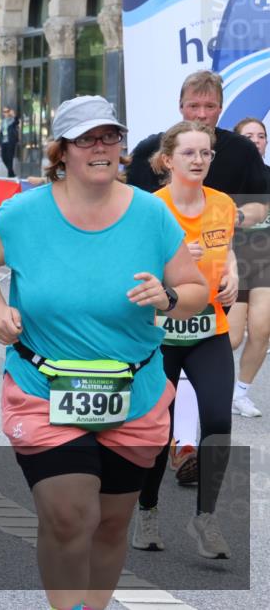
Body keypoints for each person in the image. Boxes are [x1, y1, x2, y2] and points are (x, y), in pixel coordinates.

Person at [0, 95, 208, 610]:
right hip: (43, 387)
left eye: (111, 137)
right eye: (87, 139)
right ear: (62, 150)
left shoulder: (150, 215)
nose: (102, 148)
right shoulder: (24, 212)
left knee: (112, 522)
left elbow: (195, 292)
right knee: (71, 514)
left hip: (134, 392)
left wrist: (165, 297)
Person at [126, 70, 269, 477]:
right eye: (195, 106)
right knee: (160, 396)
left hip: (228, 261)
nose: (202, 113)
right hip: (165, 287)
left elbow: (261, 205)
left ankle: (190, 453)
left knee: (230, 338)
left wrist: (231, 221)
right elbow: (128, 215)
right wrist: (167, 254)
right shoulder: (151, 152)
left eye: (210, 107)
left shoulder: (240, 151)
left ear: (221, 110)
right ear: (180, 107)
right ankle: (174, 452)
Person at [130, 121, 238, 559]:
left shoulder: (224, 204)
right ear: (167, 159)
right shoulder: (150, 210)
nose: (198, 160)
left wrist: (232, 274)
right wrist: (171, 261)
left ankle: (206, 518)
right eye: (189, 153)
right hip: (161, 335)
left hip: (209, 328)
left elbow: (227, 249)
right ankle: (148, 509)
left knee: (219, 421)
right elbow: (133, 273)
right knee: (160, 429)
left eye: (206, 153)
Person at [228, 117, 269, 417]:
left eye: (261, 135)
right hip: (234, 264)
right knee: (231, 338)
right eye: (249, 136)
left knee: (262, 330)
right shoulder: (226, 177)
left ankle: (240, 393)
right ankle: (200, 386)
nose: (256, 140)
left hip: (266, 265)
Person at [0, 106, 20, 178]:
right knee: (4, 158)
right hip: (4, 142)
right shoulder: (2, 121)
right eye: (4, 112)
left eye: (7, 111)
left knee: (10, 158)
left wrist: (14, 115)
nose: (6, 113)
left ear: (9, 112)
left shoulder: (12, 120)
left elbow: (17, 122)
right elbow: (0, 133)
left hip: (11, 142)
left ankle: (10, 175)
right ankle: (12, 173)